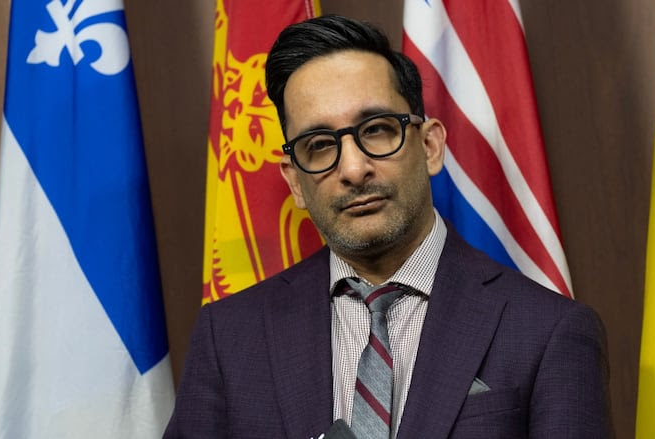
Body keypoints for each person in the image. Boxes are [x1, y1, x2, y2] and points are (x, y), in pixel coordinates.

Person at [164, 15, 611, 439]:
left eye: (377, 130)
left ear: (431, 145)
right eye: (319, 145)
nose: (354, 169)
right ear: (295, 181)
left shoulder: (549, 331)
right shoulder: (229, 338)